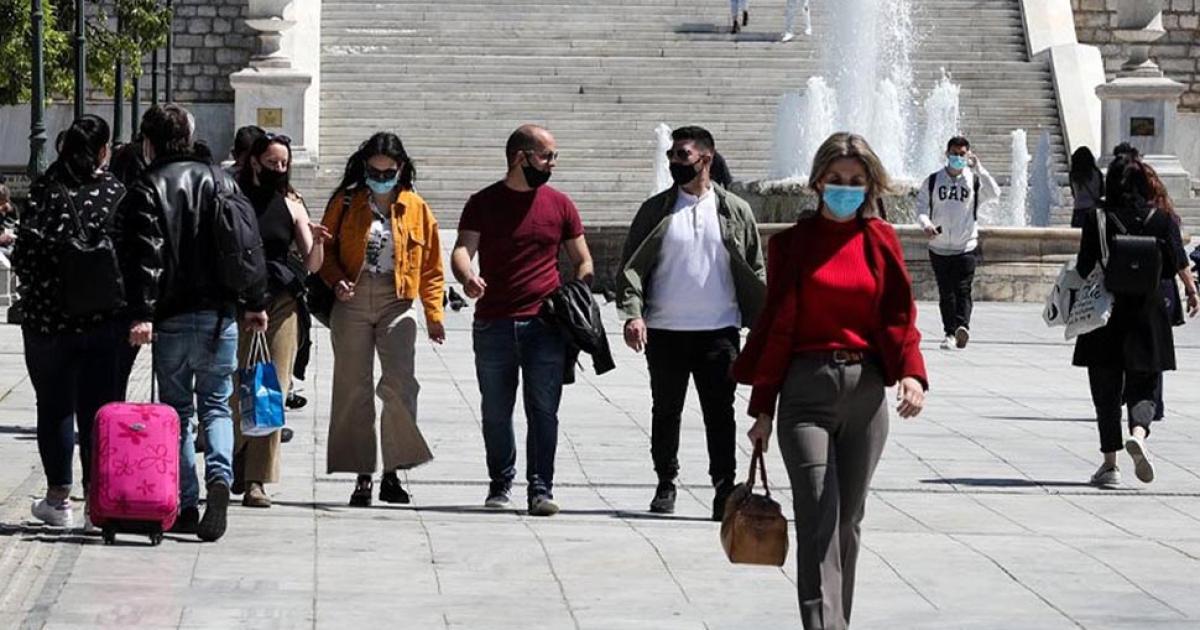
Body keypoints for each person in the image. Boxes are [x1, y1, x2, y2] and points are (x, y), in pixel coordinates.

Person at [733, 132, 927, 630]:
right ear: (818, 182)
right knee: (819, 514)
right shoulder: (791, 245)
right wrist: (763, 409)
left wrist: (912, 373)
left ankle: (838, 621)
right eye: (836, 179)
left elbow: (899, 314)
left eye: (856, 181)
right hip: (806, 391)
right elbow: (776, 326)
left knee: (848, 521)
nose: (846, 188)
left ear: (870, 186)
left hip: (866, 393)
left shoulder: (880, 240)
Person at [117, 104, 270, 541]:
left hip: (172, 315)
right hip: (220, 313)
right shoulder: (222, 180)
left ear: (149, 143)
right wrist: (255, 300)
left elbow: (146, 256)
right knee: (217, 405)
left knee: (178, 411)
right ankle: (220, 477)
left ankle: (186, 502)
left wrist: (142, 313)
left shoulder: (148, 186)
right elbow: (247, 244)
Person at [617, 126, 765, 519]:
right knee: (666, 410)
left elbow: (755, 268)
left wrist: (760, 321)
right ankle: (665, 481)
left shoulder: (735, 210)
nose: (674, 162)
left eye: (682, 155)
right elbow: (631, 266)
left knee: (720, 413)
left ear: (706, 158)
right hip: (665, 330)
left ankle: (723, 487)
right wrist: (633, 314)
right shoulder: (656, 210)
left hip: (719, 330)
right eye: (671, 155)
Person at [451, 124, 593, 516]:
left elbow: (583, 259)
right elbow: (462, 249)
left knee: (543, 410)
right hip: (493, 323)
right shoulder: (483, 202)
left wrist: (577, 293)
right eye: (546, 156)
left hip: (545, 326)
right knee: (496, 411)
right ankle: (500, 483)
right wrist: (468, 277)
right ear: (520, 157)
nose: (552, 164)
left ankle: (540, 489)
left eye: (553, 156)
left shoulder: (560, 205)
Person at [319, 132, 445, 507]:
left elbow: (432, 267)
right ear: (364, 168)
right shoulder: (346, 202)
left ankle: (393, 472)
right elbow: (324, 250)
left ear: (400, 169)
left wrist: (434, 314)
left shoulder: (416, 207)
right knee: (352, 387)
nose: (381, 178)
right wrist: (336, 280)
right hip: (353, 298)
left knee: (400, 385)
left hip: (397, 299)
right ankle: (362, 474)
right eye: (374, 172)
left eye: (388, 172)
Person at [14, 115, 127, 528]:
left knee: (54, 406)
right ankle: (97, 501)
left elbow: (23, 256)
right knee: (99, 410)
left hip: (48, 320)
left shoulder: (45, 190)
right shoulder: (115, 192)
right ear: (103, 150)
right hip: (102, 319)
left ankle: (58, 499)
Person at [1074, 155, 1198, 488]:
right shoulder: (1162, 219)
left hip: (1106, 315)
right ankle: (1139, 434)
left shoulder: (1097, 218)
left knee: (1106, 392)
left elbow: (1084, 266)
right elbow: (1177, 261)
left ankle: (1110, 466)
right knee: (1145, 386)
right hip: (1148, 314)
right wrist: (1191, 290)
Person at [231, 133, 329, 508]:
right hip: (239, 304)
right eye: (272, 162)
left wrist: (318, 241)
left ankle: (257, 480)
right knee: (237, 388)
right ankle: (237, 454)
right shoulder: (232, 197)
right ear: (255, 161)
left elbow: (312, 264)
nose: (279, 168)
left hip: (281, 305)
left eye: (284, 163)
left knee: (270, 388)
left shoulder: (291, 203)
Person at [916, 136, 1001, 351]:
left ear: (968, 154)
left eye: (962, 154)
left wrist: (979, 168)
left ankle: (962, 327)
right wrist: (926, 225)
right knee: (946, 292)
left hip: (966, 245)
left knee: (963, 289)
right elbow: (922, 208)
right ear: (947, 154)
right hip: (939, 246)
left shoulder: (973, 180)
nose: (958, 158)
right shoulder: (933, 181)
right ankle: (949, 333)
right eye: (954, 153)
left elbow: (995, 193)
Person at [1069, 147, 1104, 229]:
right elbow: (1101, 192)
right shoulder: (1097, 173)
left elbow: (1073, 193)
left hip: (1078, 210)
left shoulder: (1074, 175)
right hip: (1093, 210)